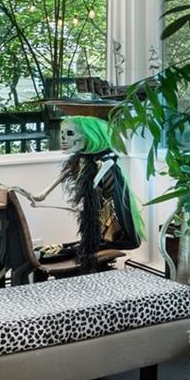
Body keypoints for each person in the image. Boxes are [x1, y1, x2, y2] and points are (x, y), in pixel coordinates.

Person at [16, 114, 140, 273]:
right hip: (100, 216)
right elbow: (66, 175)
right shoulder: (81, 160)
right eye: (62, 134)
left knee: (104, 228)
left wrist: (90, 191)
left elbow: (100, 177)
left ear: (91, 135)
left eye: (70, 134)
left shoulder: (106, 160)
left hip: (112, 215)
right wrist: (43, 193)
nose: (63, 139)